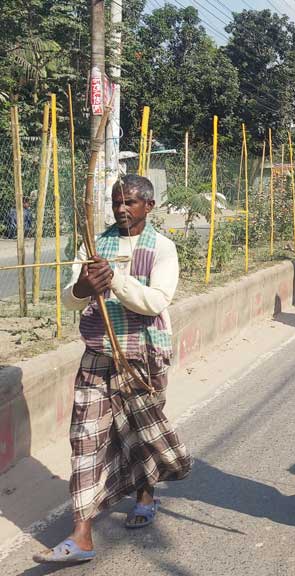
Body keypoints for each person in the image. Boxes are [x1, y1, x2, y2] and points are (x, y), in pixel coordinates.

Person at [36, 176, 191, 564]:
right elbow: (71, 300)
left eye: (130, 202)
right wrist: (85, 287)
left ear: (149, 207)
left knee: (139, 434)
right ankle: (82, 534)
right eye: (116, 201)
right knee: (85, 439)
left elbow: (156, 301)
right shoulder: (93, 246)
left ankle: (144, 494)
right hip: (97, 355)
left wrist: (116, 280)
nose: (122, 209)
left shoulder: (162, 247)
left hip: (143, 357)